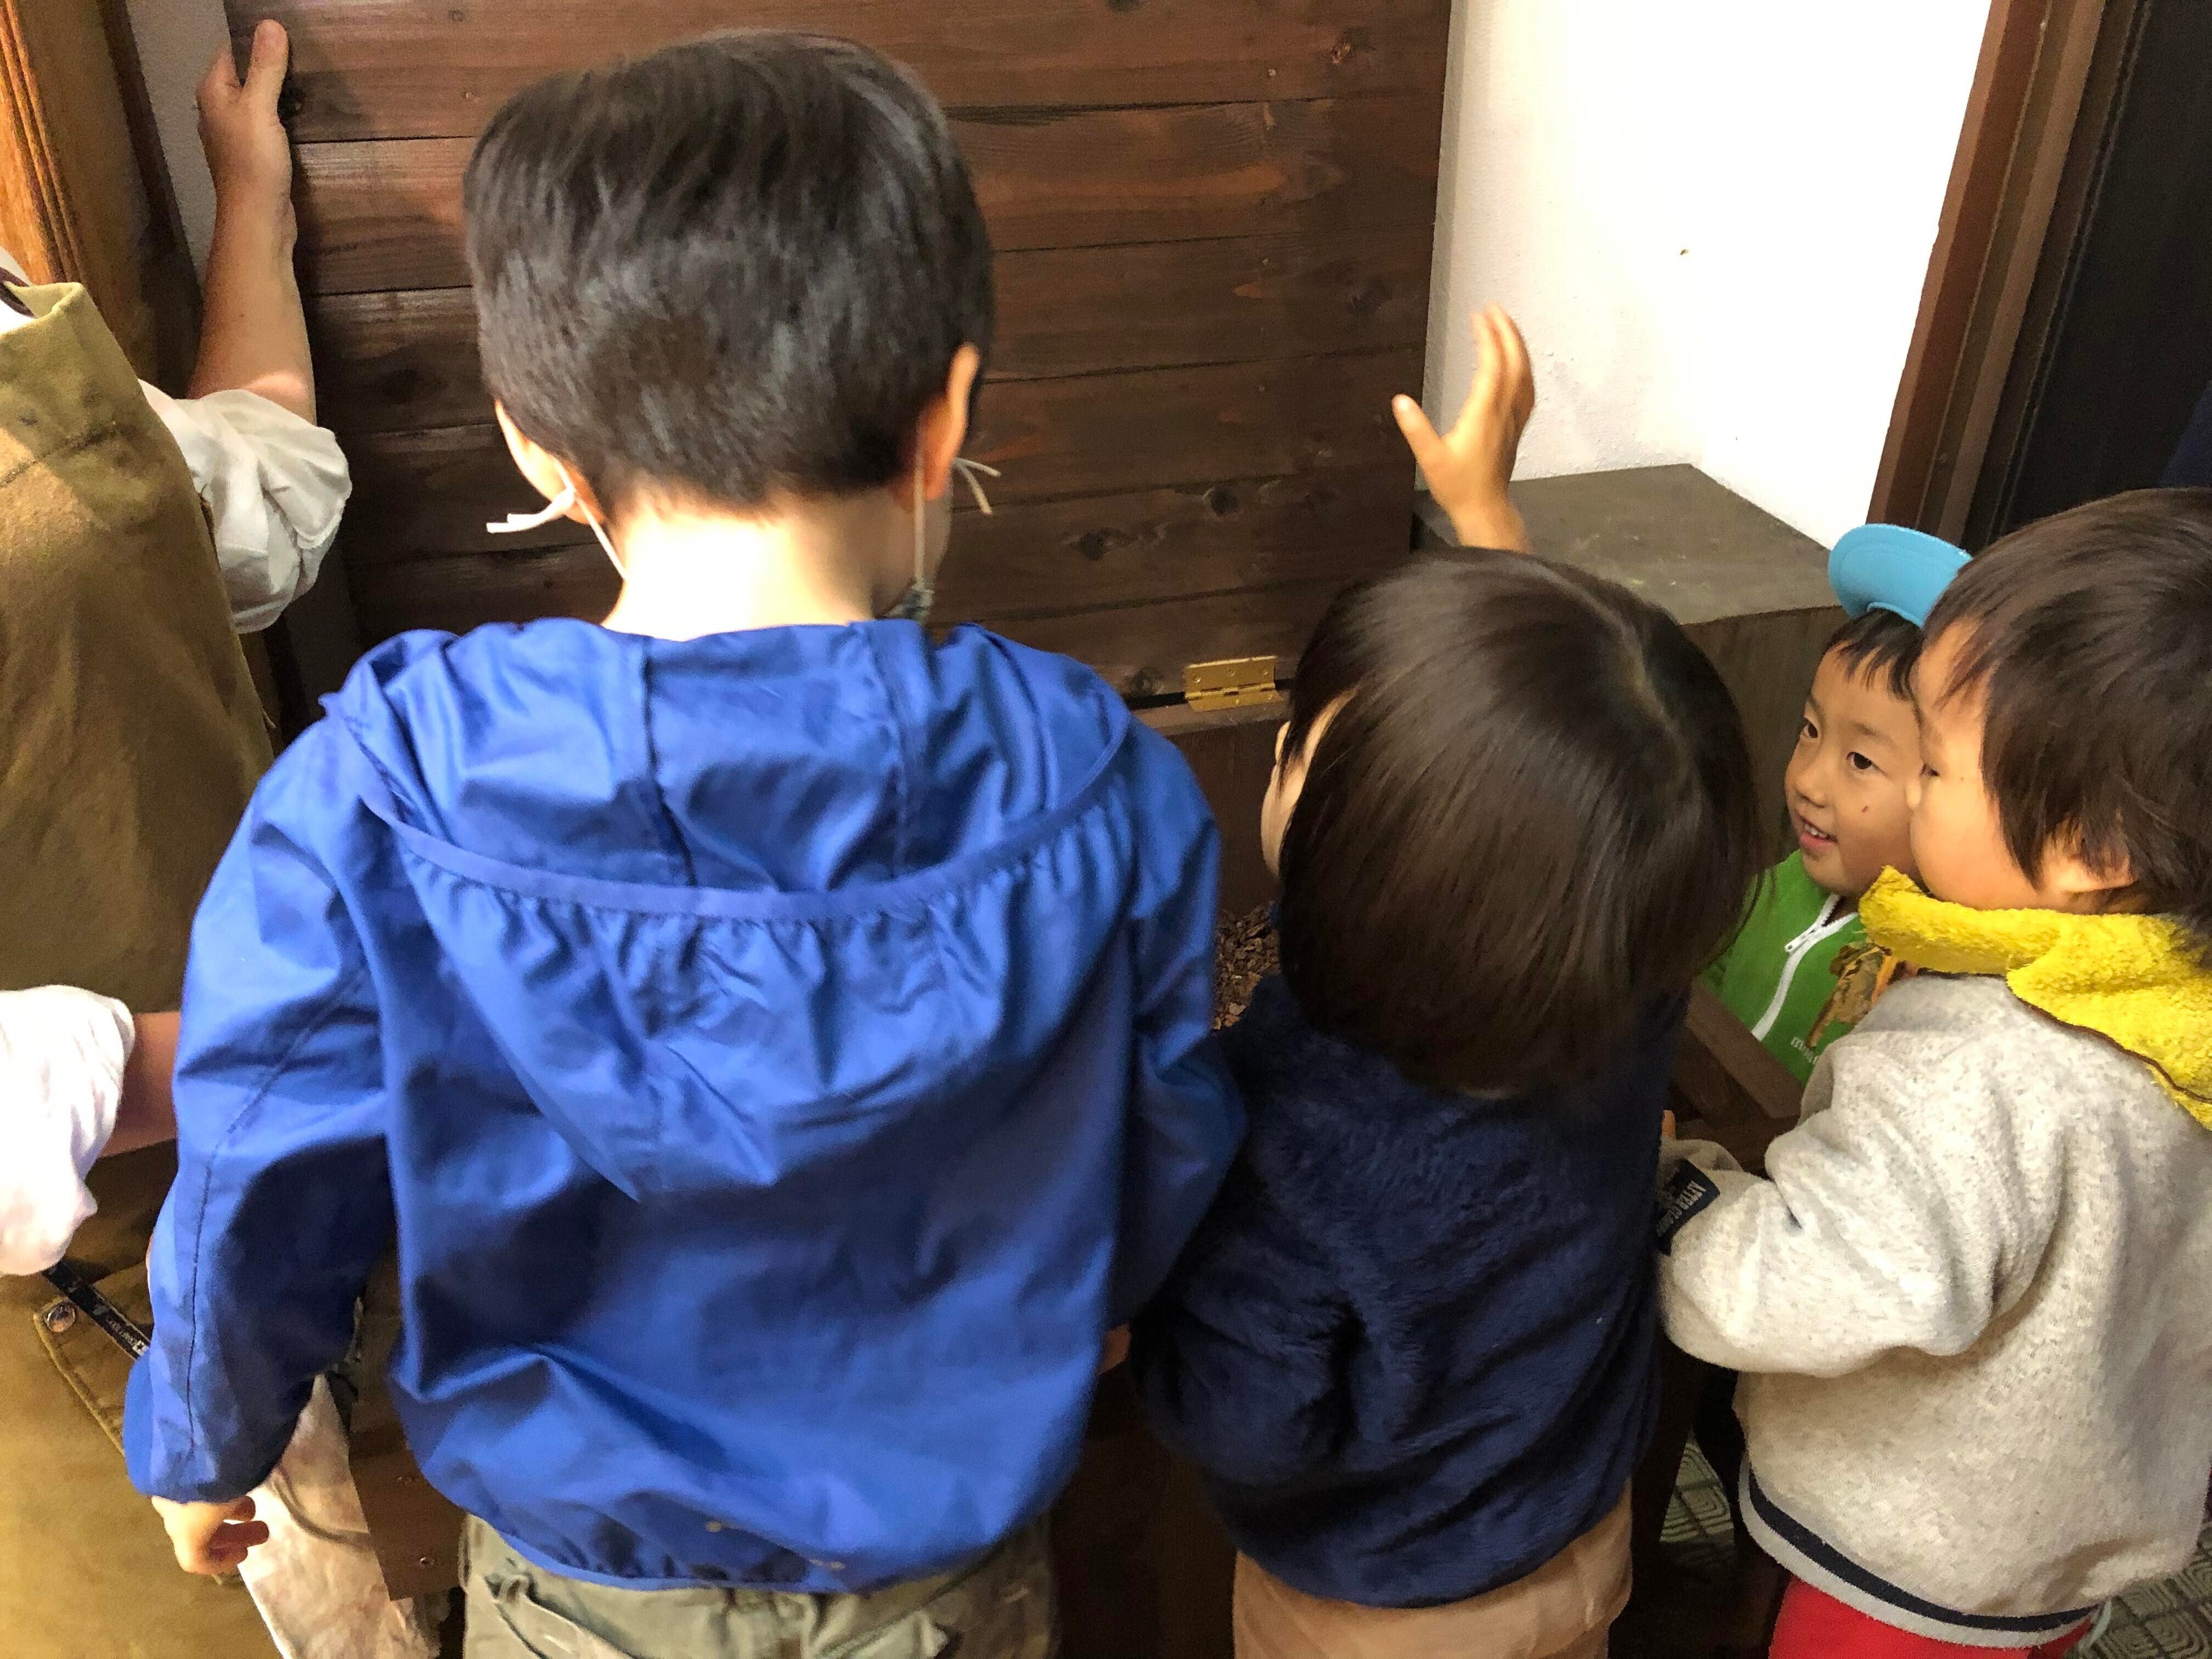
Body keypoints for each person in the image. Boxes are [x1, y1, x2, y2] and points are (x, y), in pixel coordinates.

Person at [124, 30, 1245, 1659]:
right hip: (948, 1580)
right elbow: (1162, 1126)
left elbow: (256, 1164)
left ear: (532, 444)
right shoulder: (1098, 780)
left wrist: (202, 1437)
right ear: (947, 415)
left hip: (578, 1593)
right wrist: (1085, 1302)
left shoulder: (379, 788)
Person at [1132, 318, 1764, 1659]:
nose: (1282, 751)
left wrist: (1150, 1323)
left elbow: (1247, 1421)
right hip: (1577, 1531)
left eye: (1300, 751)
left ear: (1347, 859)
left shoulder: (1287, 1136)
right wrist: (1488, 526)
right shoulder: (1624, 981)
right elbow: (1566, 800)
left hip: (1382, 1608)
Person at [1655, 489, 2212, 1657]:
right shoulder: (2177, 1012)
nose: (1908, 791)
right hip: (2057, 1556)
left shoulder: (1975, 1064)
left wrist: (1677, 1191)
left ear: (2091, 847)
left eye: (1939, 768)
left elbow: (1794, 1286)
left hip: (1897, 1579)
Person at [0, 18, 369, 1659]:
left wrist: (249, 199)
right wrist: (320, 1043)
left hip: (276, 1163)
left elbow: (234, 498)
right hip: (78, 1286)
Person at [1703, 527, 1968, 1085]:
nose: (1809, 782)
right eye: (1810, 729)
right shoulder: (1783, 883)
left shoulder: (1924, 981)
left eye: (1861, 761)